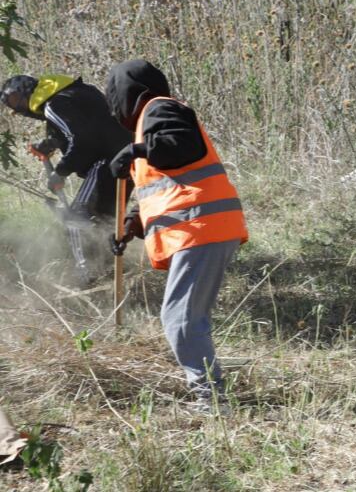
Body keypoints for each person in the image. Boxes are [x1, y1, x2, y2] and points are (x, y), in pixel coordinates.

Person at [104, 59, 249, 408]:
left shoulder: (160, 108)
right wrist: (132, 224)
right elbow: (167, 182)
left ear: (129, 94)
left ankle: (211, 399)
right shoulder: (149, 122)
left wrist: (137, 150)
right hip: (199, 228)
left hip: (201, 226)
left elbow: (180, 146)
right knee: (186, 315)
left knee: (180, 317)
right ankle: (210, 393)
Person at [1, 73, 132, 281]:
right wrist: (52, 142)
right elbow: (87, 127)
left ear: (29, 89)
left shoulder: (54, 104)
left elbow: (83, 141)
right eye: (12, 104)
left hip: (106, 163)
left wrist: (60, 171)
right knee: (103, 222)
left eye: (16, 98)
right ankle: (112, 275)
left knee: (75, 219)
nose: (18, 107)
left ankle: (87, 278)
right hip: (125, 162)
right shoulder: (74, 93)